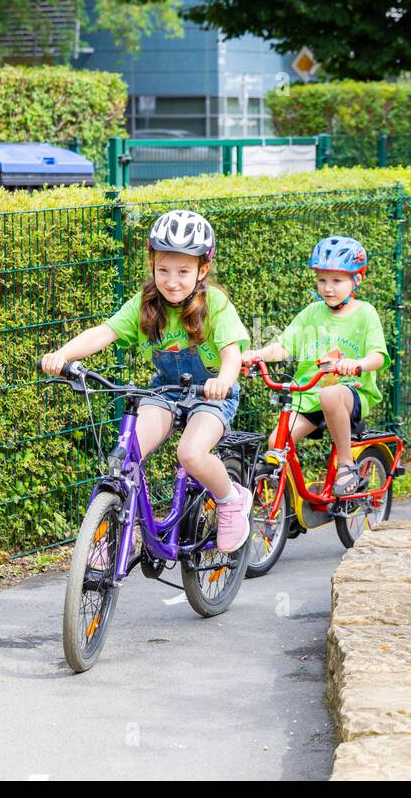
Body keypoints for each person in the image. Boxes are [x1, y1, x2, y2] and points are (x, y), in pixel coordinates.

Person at [40, 210, 252, 551]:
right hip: (166, 393)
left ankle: (230, 499)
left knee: (192, 454)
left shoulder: (214, 303)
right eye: (163, 270)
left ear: (202, 270)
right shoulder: (146, 303)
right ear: (152, 265)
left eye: (183, 272)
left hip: (212, 396)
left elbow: (231, 354)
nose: (171, 281)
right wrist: (64, 356)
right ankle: (108, 536)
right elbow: (104, 332)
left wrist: (224, 381)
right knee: (125, 455)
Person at [242, 236, 389, 496]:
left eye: (336, 281)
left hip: (349, 392)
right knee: (276, 442)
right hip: (307, 394)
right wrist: (257, 355)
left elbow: (378, 356)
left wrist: (356, 364)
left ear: (356, 280)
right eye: (322, 280)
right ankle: (291, 502)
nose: (328, 288)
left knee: (330, 394)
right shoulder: (311, 313)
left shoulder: (365, 313)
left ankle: (345, 463)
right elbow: (284, 347)